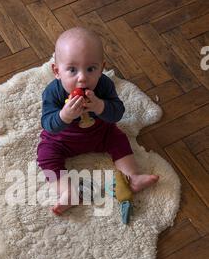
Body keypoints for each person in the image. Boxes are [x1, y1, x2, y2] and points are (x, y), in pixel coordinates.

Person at [37, 27, 159, 215]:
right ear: (57, 71)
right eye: (72, 69)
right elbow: (47, 124)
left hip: (100, 134)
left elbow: (117, 113)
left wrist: (100, 106)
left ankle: (132, 177)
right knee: (45, 154)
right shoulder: (52, 92)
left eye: (91, 69)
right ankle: (68, 192)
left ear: (102, 68)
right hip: (62, 140)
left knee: (118, 138)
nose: (82, 78)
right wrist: (65, 115)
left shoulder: (104, 85)